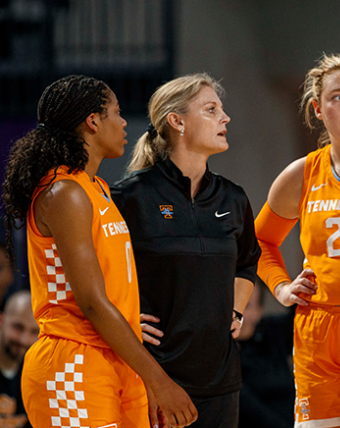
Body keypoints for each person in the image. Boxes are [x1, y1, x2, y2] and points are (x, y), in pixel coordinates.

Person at [1, 75, 197, 428]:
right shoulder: (64, 192)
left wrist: (139, 369)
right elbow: (90, 301)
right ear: (92, 121)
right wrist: (158, 378)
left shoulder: (98, 189)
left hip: (114, 361)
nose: (124, 123)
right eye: (117, 113)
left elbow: (111, 289)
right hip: (71, 363)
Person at [111, 73, 261, 427]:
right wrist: (126, 315)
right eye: (211, 110)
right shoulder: (130, 197)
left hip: (221, 383)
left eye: (221, 110)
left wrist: (236, 312)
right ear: (176, 121)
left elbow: (248, 261)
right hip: (155, 378)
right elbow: (101, 273)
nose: (225, 118)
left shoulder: (233, 197)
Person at [254, 52, 340, 428]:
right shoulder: (302, 173)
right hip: (318, 331)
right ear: (318, 108)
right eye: (337, 97)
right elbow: (259, 242)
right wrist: (280, 288)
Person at [236, 282, 294, 428]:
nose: (235, 312)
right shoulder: (218, 350)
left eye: (246, 305)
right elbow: (248, 407)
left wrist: (278, 284)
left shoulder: (273, 330)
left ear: (259, 311)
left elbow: (299, 312)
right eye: (232, 303)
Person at [0, 291, 37, 428]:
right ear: (1, 320)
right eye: (18, 327)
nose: (24, 339)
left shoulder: (37, 376)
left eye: (34, 332)